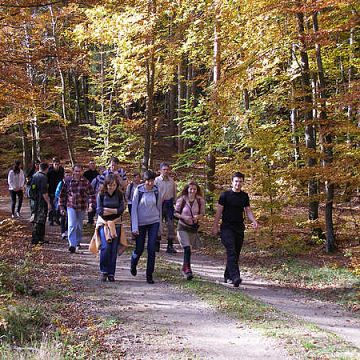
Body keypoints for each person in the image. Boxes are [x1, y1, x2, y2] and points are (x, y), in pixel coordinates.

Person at [212, 172, 258, 287]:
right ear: (232, 182)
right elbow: (219, 212)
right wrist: (215, 226)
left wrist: (253, 220)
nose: (238, 183)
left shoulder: (244, 196)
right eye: (236, 181)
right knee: (231, 250)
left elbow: (248, 210)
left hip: (239, 227)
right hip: (226, 227)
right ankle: (235, 277)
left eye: (240, 181)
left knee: (235, 253)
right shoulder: (225, 195)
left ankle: (227, 276)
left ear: (243, 183)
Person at [130, 170, 162, 284]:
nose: (150, 183)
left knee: (151, 249)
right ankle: (133, 263)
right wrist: (134, 227)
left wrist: (160, 228)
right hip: (141, 223)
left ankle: (149, 275)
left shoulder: (157, 190)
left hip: (154, 221)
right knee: (139, 248)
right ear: (144, 181)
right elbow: (133, 209)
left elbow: (159, 209)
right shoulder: (138, 190)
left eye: (152, 181)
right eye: (148, 181)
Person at [59, 164, 96, 253]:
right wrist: (61, 207)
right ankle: (72, 244)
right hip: (70, 205)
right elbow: (62, 195)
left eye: (79, 171)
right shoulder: (67, 181)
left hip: (82, 206)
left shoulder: (85, 182)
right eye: (76, 171)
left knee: (79, 226)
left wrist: (91, 205)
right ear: (73, 171)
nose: (78, 173)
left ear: (82, 171)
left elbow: (92, 194)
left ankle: (78, 242)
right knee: (71, 225)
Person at [95, 174, 125, 282]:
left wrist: (110, 210)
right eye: (109, 185)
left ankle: (111, 273)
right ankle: (104, 271)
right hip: (104, 223)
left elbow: (122, 209)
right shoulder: (101, 194)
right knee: (106, 247)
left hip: (116, 224)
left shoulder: (119, 195)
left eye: (113, 185)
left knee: (113, 249)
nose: (111, 187)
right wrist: (114, 210)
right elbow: (99, 210)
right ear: (106, 185)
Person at [174, 181, 205, 280]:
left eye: (194, 189)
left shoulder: (200, 200)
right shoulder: (182, 199)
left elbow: (202, 213)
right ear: (187, 189)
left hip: (192, 228)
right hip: (182, 227)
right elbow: (175, 213)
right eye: (190, 189)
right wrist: (184, 217)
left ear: (197, 190)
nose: (192, 191)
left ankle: (184, 268)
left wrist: (198, 217)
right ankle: (188, 270)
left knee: (188, 250)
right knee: (187, 248)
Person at [154, 162, 177, 253]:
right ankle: (156, 243)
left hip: (169, 204)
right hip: (159, 204)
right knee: (158, 223)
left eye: (167, 169)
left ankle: (170, 245)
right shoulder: (156, 181)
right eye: (164, 169)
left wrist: (175, 203)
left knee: (170, 224)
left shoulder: (172, 181)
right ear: (160, 170)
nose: (166, 171)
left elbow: (174, 193)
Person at [29, 162, 51, 245]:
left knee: (37, 218)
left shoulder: (35, 175)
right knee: (40, 220)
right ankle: (35, 239)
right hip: (41, 201)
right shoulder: (43, 177)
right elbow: (44, 192)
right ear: (46, 169)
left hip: (34, 201)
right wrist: (48, 203)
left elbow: (31, 187)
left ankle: (40, 238)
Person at [55, 169, 72, 240]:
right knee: (63, 217)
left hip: (70, 203)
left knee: (69, 217)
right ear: (64, 176)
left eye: (69, 175)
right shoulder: (61, 183)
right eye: (66, 175)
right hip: (62, 203)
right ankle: (63, 232)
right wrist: (61, 198)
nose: (68, 176)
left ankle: (67, 230)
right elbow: (57, 193)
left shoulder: (72, 183)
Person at [47, 157, 64, 225]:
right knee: (52, 205)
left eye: (58, 164)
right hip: (51, 189)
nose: (57, 166)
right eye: (55, 164)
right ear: (53, 164)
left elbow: (63, 179)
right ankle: (51, 219)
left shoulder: (61, 170)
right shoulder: (49, 171)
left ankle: (57, 218)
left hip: (59, 189)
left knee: (59, 205)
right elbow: (47, 181)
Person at [83, 160, 99, 224]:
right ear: (89, 165)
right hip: (88, 192)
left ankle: (94, 218)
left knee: (95, 205)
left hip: (96, 192)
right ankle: (90, 220)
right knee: (90, 205)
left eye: (93, 164)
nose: (92, 165)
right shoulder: (86, 173)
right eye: (91, 164)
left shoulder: (97, 173)